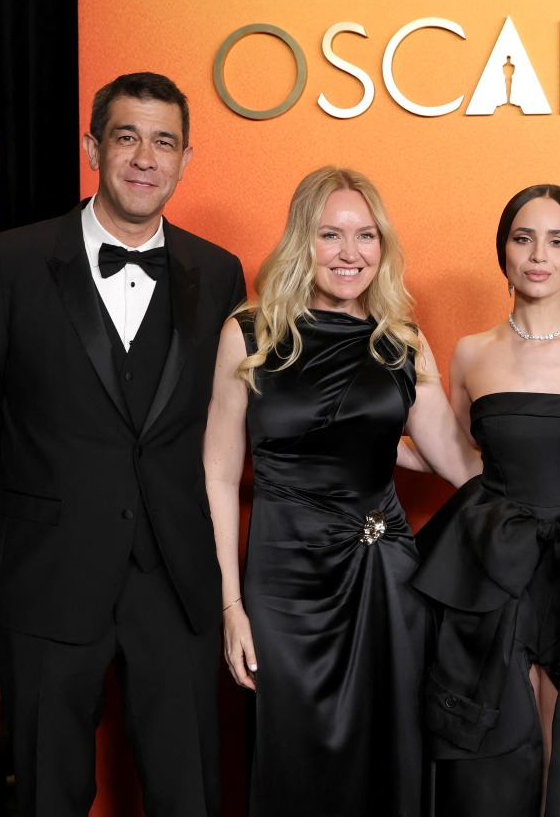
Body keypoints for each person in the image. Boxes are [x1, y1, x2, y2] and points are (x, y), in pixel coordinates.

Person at [0, 72, 245, 816]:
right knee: (49, 793)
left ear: (186, 159)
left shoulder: (222, 270)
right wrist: (20, 535)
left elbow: (230, 425)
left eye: (164, 141)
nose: (145, 157)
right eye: (126, 136)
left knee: (187, 793)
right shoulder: (8, 262)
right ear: (92, 147)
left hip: (175, 580)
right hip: (46, 577)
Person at [204, 166, 477, 817]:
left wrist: (557, 463)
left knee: (388, 760)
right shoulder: (249, 334)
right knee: (295, 764)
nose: (350, 254)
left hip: (385, 582)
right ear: (303, 241)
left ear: (383, 247)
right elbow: (217, 474)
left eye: (366, 236)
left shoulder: (402, 345)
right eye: (331, 235)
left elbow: (461, 466)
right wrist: (231, 607)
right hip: (283, 587)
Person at [411, 184, 560, 816]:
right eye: (523, 238)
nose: (539, 254)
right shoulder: (471, 353)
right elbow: (457, 460)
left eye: (557, 240)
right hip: (493, 573)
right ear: (503, 253)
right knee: (493, 759)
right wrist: (350, 442)